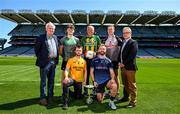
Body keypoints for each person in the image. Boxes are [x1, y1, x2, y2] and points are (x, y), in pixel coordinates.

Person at [34, 22, 59, 106]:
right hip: (45, 63)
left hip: (53, 62)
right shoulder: (40, 37)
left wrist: (55, 61)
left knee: (51, 81)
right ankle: (43, 98)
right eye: (50, 28)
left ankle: (50, 96)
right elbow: (36, 50)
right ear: (46, 29)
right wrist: (43, 59)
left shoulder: (55, 37)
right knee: (43, 82)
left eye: (53, 29)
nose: (51, 30)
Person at [90, 44, 117, 110]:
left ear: (106, 50)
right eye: (101, 49)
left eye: (104, 49)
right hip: (98, 82)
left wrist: (113, 79)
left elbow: (111, 72)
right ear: (98, 50)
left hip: (107, 81)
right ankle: (102, 92)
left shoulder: (108, 61)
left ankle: (111, 101)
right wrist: (94, 81)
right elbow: (91, 72)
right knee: (100, 100)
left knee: (114, 86)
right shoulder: (94, 60)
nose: (102, 50)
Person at [118, 27, 138, 108]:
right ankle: (126, 97)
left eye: (126, 32)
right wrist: (119, 62)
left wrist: (123, 63)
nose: (125, 34)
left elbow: (132, 56)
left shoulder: (133, 42)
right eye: (123, 33)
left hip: (130, 68)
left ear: (130, 33)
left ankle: (133, 102)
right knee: (125, 84)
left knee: (131, 85)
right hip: (123, 67)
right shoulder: (123, 42)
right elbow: (120, 54)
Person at [62, 45, 87, 110]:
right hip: (72, 79)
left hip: (79, 81)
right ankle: (65, 102)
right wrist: (66, 77)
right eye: (77, 50)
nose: (78, 52)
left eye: (80, 51)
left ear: (82, 52)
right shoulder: (71, 60)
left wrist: (84, 81)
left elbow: (86, 72)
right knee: (65, 83)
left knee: (77, 97)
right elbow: (67, 69)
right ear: (75, 51)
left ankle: (70, 93)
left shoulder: (84, 61)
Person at [81, 25, 101, 95]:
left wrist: (96, 52)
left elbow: (100, 47)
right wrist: (84, 52)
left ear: (94, 31)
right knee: (86, 74)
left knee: (95, 75)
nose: (90, 31)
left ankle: (95, 90)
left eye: (91, 30)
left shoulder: (97, 38)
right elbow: (81, 49)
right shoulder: (83, 38)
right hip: (86, 59)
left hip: (95, 59)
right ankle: (86, 90)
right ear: (87, 31)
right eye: (89, 30)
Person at [104, 24, 122, 99]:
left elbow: (121, 51)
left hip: (114, 61)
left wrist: (120, 61)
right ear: (107, 31)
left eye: (111, 29)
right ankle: (111, 90)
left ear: (114, 30)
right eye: (109, 29)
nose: (110, 31)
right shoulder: (105, 39)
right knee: (108, 77)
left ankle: (117, 93)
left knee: (116, 77)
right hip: (107, 61)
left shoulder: (118, 39)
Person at [59, 24, 79, 88]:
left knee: (74, 76)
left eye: (72, 29)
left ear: (73, 31)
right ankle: (64, 92)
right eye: (69, 29)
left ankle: (75, 92)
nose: (70, 30)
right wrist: (64, 57)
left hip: (74, 61)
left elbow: (78, 50)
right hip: (65, 61)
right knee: (64, 77)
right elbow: (60, 51)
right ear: (67, 30)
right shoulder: (63, 39)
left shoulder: (76, 40)